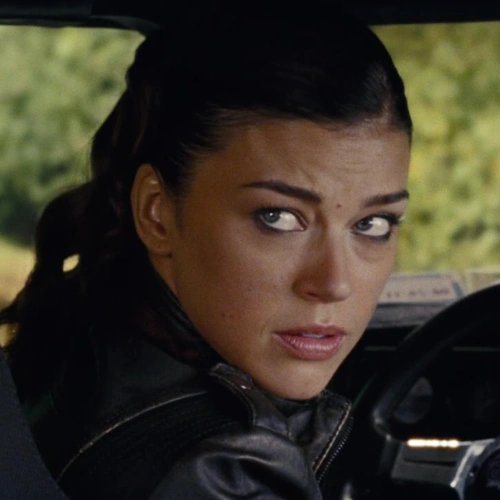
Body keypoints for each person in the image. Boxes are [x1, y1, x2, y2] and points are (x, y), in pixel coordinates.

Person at [0, 2, 412, 499]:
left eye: (372, 224)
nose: (334, 283)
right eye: (278, 217)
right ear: (157, 213)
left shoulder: (79, 339)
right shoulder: (224, 476)